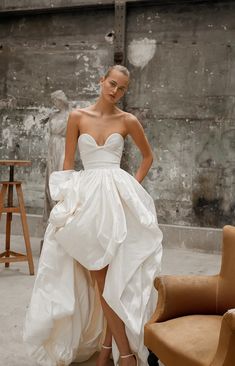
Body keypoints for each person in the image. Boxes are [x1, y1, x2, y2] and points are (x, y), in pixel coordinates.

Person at [23, 65, 163, 366]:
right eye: (112, 83)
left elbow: (148, 156)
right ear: (101, 81)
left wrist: (131, 188)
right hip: (87, 197)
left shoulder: (128, 120)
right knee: (99, 275)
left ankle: (113, 351)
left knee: (114, 276)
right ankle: (122, 353)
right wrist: (65, 203)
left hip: (117, 199)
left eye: (122, 88)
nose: (115, 91)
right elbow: (68, 163)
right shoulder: (77, 117)